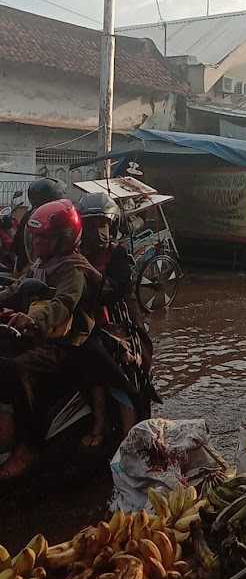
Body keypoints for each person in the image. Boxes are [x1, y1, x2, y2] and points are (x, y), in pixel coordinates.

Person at [0, 199, 101, 478]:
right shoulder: (41, 263)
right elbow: (16, 289)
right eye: (36, 237)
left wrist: (34, 321)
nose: (37, 243)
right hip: (34, 335)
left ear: (64, 238)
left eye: (44, 238)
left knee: (11, 369)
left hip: (63, 342)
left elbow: (63, 304)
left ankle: (27, 446)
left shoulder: (73, 268)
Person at [77, 192, 154, 448]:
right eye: (92, 224)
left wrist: (91, 273)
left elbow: (119, 290)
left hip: (118, 324)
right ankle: (96, 422)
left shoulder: (117, 254)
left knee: (122, 368)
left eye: (103, 224)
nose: (98, 230)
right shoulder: (75, 253)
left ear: (112, 225)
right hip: (85, 322)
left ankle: (128, 436)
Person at [11, 178, 66, 276]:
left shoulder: (28, 215)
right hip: (39, 270)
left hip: (27, 269)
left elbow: (16, 247)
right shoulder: (54, 217)